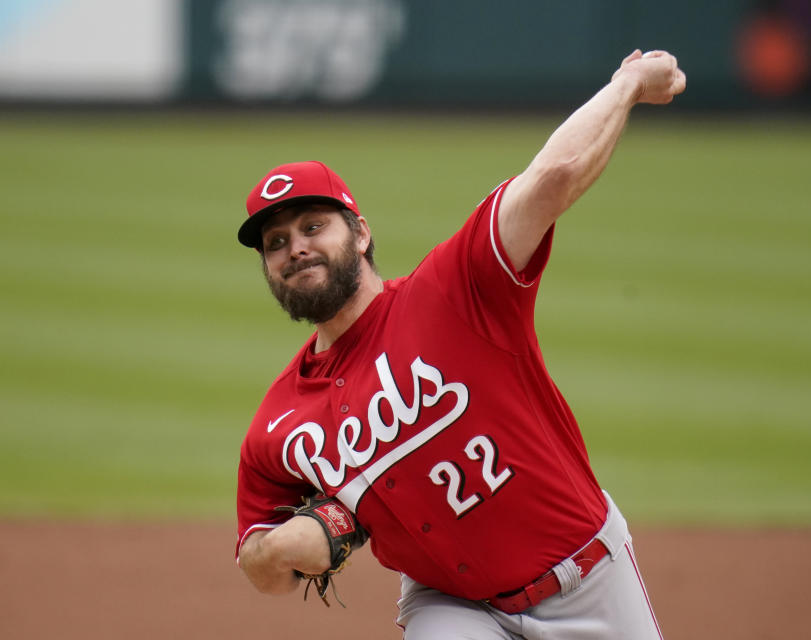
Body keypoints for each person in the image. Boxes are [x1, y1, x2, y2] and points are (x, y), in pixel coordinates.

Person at [234, 49, 686, 639]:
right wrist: (278, 553)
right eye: (276, 241)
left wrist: (627, 84)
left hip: (588, 579)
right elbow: (260, 565)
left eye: (314, 226)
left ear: (361, 231)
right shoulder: (277, 428)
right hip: (449, 605)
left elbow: (552, 177)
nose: (295, 248)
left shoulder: (454, 289)